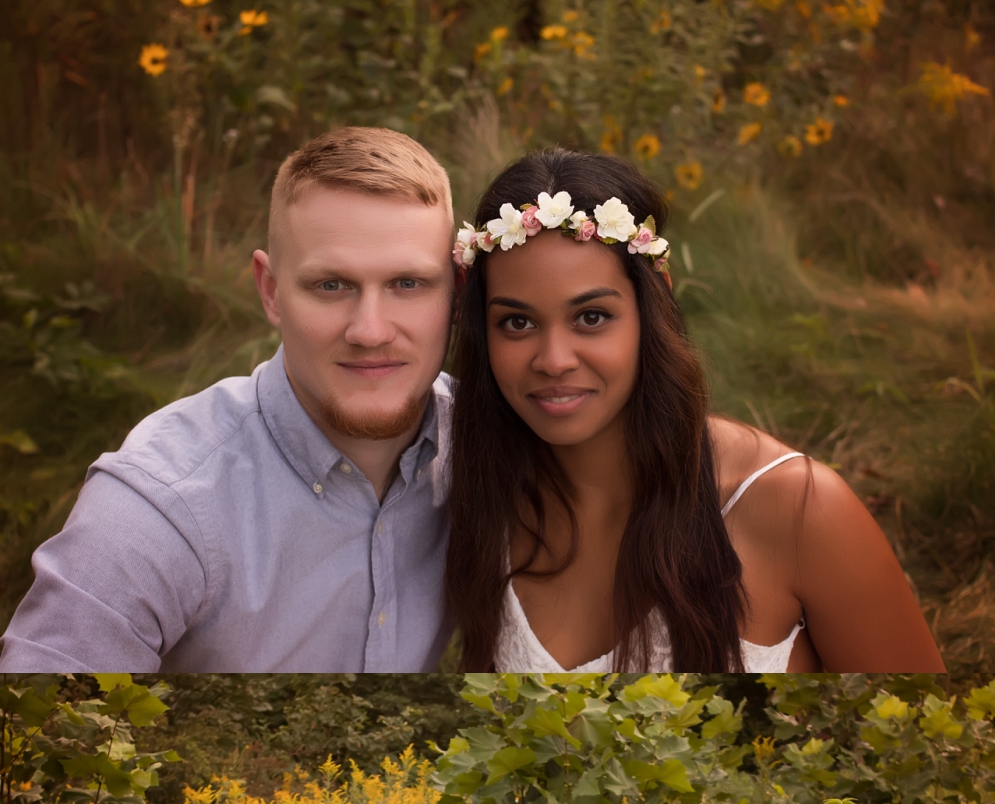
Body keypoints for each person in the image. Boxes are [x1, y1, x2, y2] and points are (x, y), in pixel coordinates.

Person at [446, 144, 945, 680]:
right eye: (517, 323)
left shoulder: (798, 508)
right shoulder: (482, 498)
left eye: (591, 317)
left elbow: (924, 746)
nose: (554, 360)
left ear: (653, 301)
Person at [0, 129, 457, 676]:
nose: (370, 330)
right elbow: (36, 738)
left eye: (409, 283)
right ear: (270, 291)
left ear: (456, 291)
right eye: (331, 285)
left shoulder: (493, 447)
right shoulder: (161, 505)